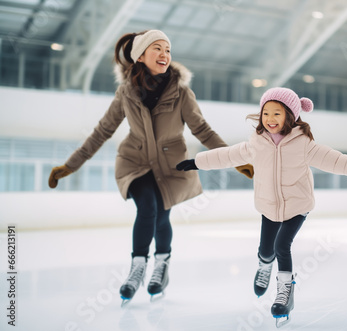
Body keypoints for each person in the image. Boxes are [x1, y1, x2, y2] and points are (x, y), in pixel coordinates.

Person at [47, 30, 253, 305]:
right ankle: (137, 268)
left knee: (161, 214)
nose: (165, 55)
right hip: (136, 162)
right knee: (147, 207)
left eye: (168, 50)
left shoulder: (181, 93)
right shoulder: (126, 93)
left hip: (171, 166)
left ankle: (161, 266)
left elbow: (202, 130)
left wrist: (233, 159)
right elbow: (102, 131)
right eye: (158, 48)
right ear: (141, 56)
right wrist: (70, 165)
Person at [176, 87, 347, 327]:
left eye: (277, 114)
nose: (270, 119)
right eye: (266, 114)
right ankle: (264, 265)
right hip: (268, 206)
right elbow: (228, 155)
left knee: (282, 245)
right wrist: (197, 162)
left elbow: (330, 158)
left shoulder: (303, 144)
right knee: (266, 250)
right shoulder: (256, 143)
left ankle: (284, 294)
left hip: (297, 205)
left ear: (290, 116)